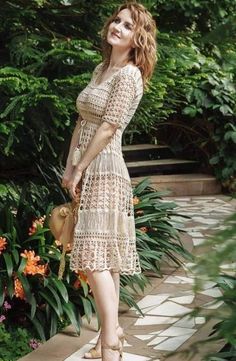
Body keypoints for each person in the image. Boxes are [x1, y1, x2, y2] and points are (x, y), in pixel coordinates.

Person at [61, 2, 157, 360]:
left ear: (136, 39)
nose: (117, 26)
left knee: (95, 260)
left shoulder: (129, 76)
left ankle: (112, 343)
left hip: (105, 170)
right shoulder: (102, 69)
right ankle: (108, 332)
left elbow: (108, 127)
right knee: (106, 261)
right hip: (87, 166)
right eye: (116, 20)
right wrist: (71, 166)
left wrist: (82, 167)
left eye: (127, 25)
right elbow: (82, 121)